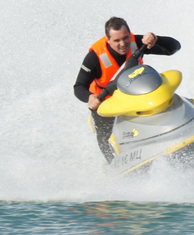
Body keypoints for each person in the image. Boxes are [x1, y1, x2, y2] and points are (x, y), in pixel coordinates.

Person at [73, 17, 181, 162]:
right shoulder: (94, 58)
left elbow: (174, 47)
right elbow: (79, 86)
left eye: (125, 38)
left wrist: (157, 40)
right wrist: (90, 97)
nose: (123, 44)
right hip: (106, 102)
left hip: (134, 95)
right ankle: (112, 163)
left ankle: (175, 130)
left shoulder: (136, 43)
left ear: (130, 34)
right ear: (108, 39)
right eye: (117, 40)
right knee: (104, 132)